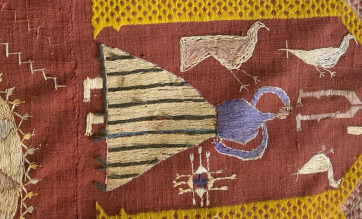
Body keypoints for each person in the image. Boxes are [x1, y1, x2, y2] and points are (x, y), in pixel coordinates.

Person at [84, 45, 291, 191]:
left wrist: (223, 148)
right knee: (158, 104)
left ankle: (106, 122)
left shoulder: (254, 126)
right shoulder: (252, 118)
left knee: (158, 128)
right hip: (201, 116)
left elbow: (249, 151)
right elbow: (248, 149)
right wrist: (223, 148)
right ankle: (106, 106)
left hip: (201, 124)